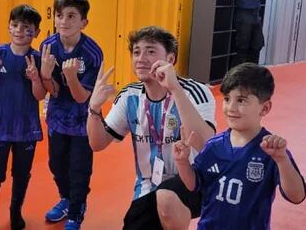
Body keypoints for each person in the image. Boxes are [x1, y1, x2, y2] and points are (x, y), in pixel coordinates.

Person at [87, 26, 216, 230]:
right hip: (148, 185)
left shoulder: (195, 91)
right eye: (136, 52)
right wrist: (94, 109)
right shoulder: (130, 96)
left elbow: (206, 144)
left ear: (171, 59)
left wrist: (174, 88)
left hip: (196, 181)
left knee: (167, 198)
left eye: (150, 51)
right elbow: (97, 143)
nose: (141, 58)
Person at [173, 63, 306, 229]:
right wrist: (182, 162)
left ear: (265, 108)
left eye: (241, 100)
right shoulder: (214, 146)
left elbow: (297, 196)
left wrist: (282, 160)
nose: (231, 108)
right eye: (227, 99)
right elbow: (194, 184)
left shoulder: (272, 149)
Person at [0, 4, 45, 230]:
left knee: (22, 174)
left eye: (25, 27)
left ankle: (15, 213)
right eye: (14, 25)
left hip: (26, 129)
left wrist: (35, 78)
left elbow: (40, 95)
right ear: (9, 26)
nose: (18, 30)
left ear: (35, 32)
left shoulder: (37, 58)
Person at [39, 0, 103, 229]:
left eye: (71, 16)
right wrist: (45, 75)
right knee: (56, 163)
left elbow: (81, 96)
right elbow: (53, 90)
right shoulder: (48, 46)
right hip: (57, 116)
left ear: (83, 22)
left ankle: (76, 211)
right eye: (59, 15)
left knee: (79, 167)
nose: (63, 21)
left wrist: (71, 76)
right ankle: (66, 198)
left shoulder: (92, 52)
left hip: (83, 120)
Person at [225, 0, 265, 66]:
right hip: (244, 12)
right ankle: (237, 75)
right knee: (242, 49)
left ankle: (251, 72)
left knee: (257, 45)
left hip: (255, 13)